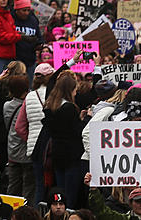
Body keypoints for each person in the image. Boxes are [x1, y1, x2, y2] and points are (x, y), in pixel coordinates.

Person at [42, 71, 83, 209]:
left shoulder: (50, 106)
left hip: (57, 153)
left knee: (61, 192)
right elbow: (77, 131)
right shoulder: (69, 108)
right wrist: (85, 119)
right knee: (70, 195)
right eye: (75, 90)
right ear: (70, 90)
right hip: (71, 156)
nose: (76, 93)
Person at [24, 62, 53, 204]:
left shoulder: (29, 96)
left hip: (33, 146)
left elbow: (21, 124)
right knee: (52, 183)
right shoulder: (53, 94)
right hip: (49, 145)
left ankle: (38, 211)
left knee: (39, 184)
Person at [4, 74, 30, 197]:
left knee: (13, 186)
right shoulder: (27, 106)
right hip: (25, 152)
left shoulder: (7, 106)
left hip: (12, 150)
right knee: (28, 188)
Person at [11, 0, 40, 77]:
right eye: (24, 10)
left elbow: (39, 37)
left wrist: (39, 44)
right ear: (17, 10)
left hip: (30, 60)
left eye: (28, 10)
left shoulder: (33, 20)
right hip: (15, 60)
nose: (26, 13)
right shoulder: (11, 19)